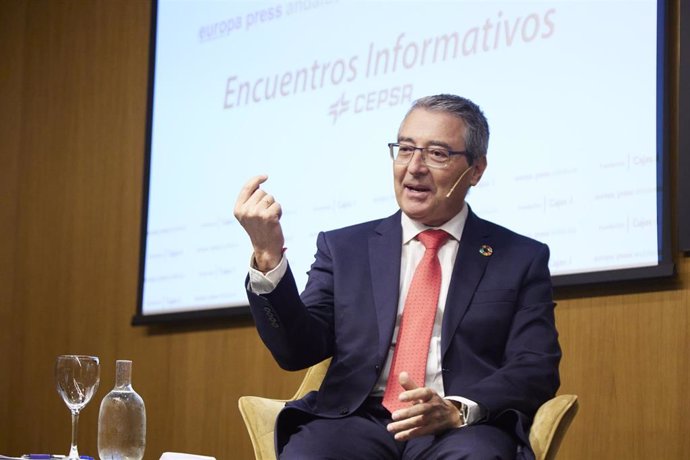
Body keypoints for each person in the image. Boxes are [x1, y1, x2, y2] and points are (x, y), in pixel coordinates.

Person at [234, 94, 561, 459]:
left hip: (459, 425)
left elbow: (535, 366)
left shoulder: (519, 257)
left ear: (476, 169)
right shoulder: (344, 249)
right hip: (357, 418)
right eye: (405, 149)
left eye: (437, 154)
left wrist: (458, 408)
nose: (414, 167)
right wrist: (267, 254)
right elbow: (297, 350)